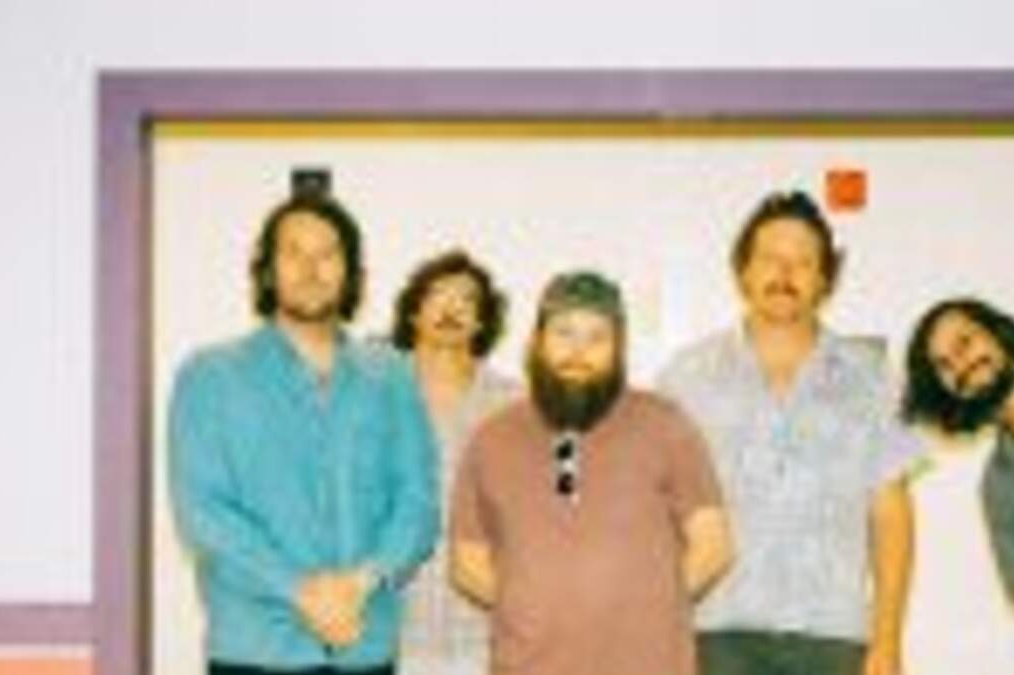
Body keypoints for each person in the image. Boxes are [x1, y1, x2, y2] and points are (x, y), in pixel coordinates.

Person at [168, 187, 438, 674]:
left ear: (351, 272)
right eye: (293, 253)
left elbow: (417, 505)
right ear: (268, 270)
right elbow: (204, 514)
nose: (311, 268)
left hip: (365, 649)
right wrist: (299, 591)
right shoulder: (210, 377)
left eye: (328, 254)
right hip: (255, 652)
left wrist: (360, 583)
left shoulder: (392, 376)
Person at [659, 191, 919, 675]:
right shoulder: (687, 377)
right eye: (769, 258)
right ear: (743, 271)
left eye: (802, 262)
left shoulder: (872, 378)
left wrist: (887, 641)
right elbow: (660, 511)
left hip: (833, 639)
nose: (784, 273)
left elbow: (891, 516)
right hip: (715, 636)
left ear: (824, 279)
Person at [449, 271, 734, 675]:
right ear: (537, 341)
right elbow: (467, 561)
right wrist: (530, 609)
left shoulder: (666, 426)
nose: (578, 352)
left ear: (619, 349)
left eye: (597, 338)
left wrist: (650, 611)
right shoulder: (492, 439)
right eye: (564, 333)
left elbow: (714, 545)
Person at [387, 249, 519, 675]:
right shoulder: (374, 393)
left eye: (467, 300)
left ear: (482, 321)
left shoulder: (514, 404)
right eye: (438, 295)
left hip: (484, 630)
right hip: (391, 628)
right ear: (413, 313)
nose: (451, 308)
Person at [901, 297, 1014, 634]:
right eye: (943, 365)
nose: (960, 363)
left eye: (964, 341)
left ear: (998, 333)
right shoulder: (1001, 489)